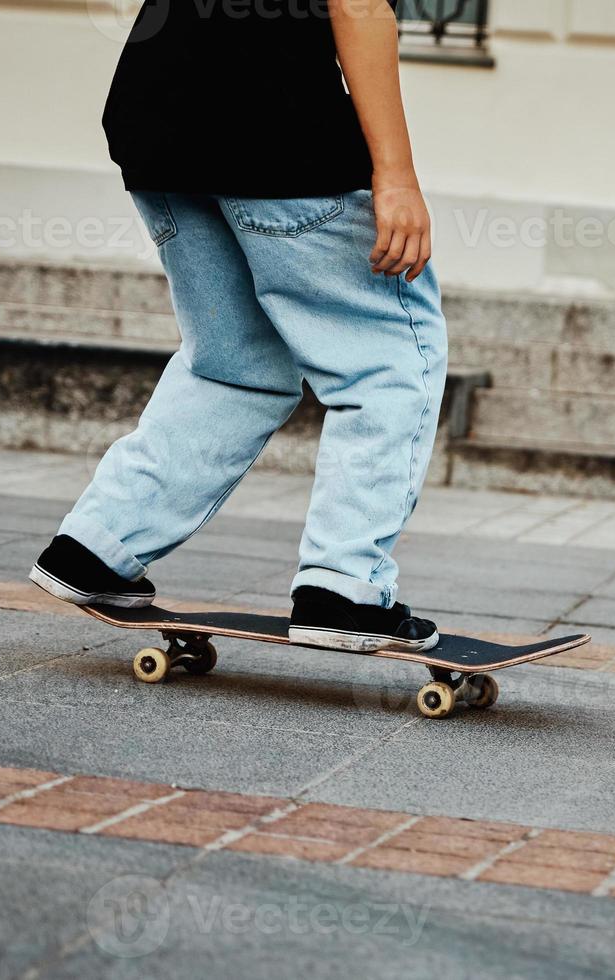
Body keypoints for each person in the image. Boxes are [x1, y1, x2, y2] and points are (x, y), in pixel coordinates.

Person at [29, 0, 446, 654]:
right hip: (277, 131)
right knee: (390, 365)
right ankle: (345, 586)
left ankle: (97, 546)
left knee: (235, 365)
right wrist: (395, 177)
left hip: (157, 122)